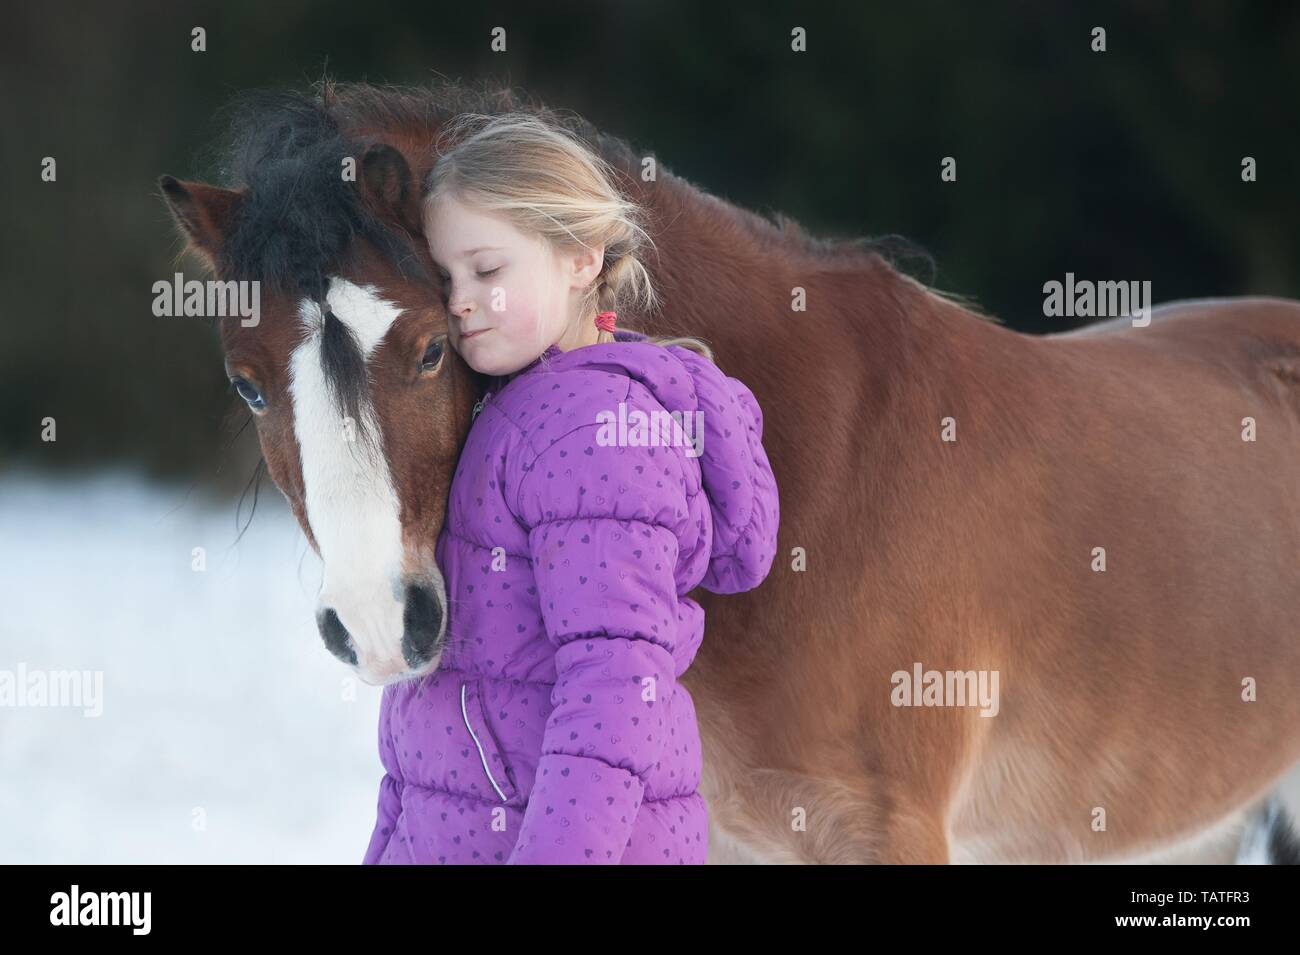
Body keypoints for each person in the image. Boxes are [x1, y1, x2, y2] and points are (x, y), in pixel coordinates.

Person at [363, 112, 779, 864]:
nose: (459, 300)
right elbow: (423, 740)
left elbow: (617, 690)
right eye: (446, 277)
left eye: (488, 271)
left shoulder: (596, 435)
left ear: (582, 258)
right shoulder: (498, 413)